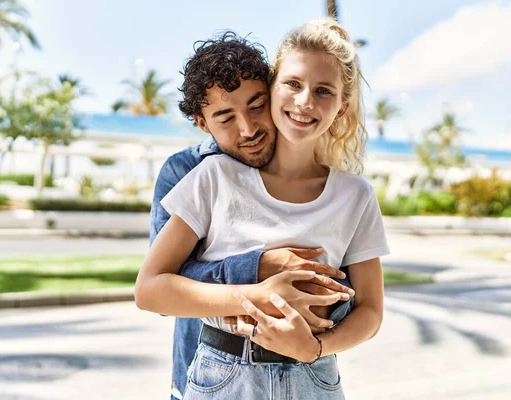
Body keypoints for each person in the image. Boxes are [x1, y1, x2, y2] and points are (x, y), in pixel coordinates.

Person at [138, 18, 389, 399]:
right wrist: (258, 288)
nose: (305, 101)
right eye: (293, 83)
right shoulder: (212, 176)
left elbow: (371, 311)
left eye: (324, 91)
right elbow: (151, 289)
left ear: (341, 108)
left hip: (315, 377)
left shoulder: (355, 196)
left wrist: (318, 348)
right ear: (275, 88)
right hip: (222, 375)